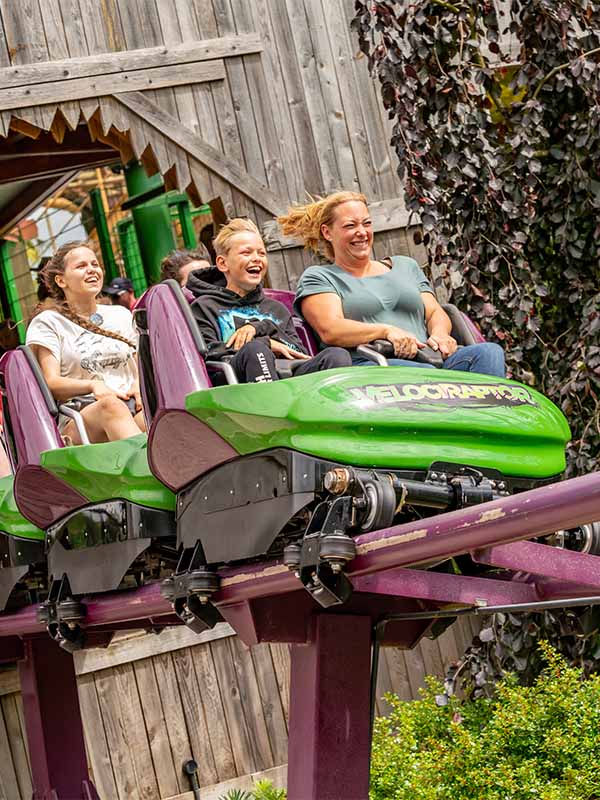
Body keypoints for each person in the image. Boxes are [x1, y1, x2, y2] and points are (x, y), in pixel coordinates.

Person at [278, 191, 505, 377]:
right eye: (350, 226)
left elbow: (435, 311)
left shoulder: (405, 266)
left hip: (430, 360)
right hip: (374, 366)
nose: (362, 232)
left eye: (366, 223)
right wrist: (386, 331)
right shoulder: (320, 277)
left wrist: (440, 334)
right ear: (327, 232)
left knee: (489, 353)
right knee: (423, 374)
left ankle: (487, 428)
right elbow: (330, 329)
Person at [187, 218, 351, 383]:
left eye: (262, 253)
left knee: (337, 355)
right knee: (256, 350)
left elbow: (297, 352)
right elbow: (209, 353)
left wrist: (261, 328)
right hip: (237, 385)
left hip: (289, 379)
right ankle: (272, 405)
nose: (257, 258)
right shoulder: (204, 307)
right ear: (223, 263)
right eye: (246, 252)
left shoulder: (276, 309)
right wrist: (265, 343)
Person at [26, 242, 144, 444]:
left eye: (95, 264)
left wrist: (138, 385)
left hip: (132, 404)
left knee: (163, 416)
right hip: (81, 414)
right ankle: (149, 471)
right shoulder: (48, 322)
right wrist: (92, 385)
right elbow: (51, 382)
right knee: (111, 407)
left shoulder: (121, 315)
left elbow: (141, 364)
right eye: (81, 266)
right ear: (61, 280)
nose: (92, 270)